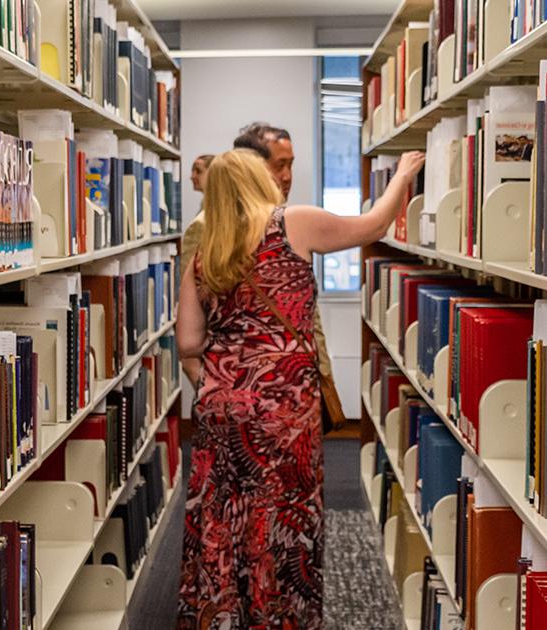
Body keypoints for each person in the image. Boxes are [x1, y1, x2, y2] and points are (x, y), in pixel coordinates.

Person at [176, 149, 426, 629]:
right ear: (258, 181)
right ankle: (279, 618)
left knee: (223, 515)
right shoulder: (292, 222)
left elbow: (189, 342)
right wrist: (402, 176)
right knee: (283, 516)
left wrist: (221, 386)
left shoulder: (206, 256)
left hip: (220, 405)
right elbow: (372, 226)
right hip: (283, 406)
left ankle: (224, 616)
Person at [181, 122, 342, 431]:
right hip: (240, 396)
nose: (287, 177)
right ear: (251, 170)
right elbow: (195, 321)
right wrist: (214, 392)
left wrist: (320, 370)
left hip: (296, 383)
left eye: (291, 165)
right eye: (279, 166)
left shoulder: (284, 222)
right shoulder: (207, 229)